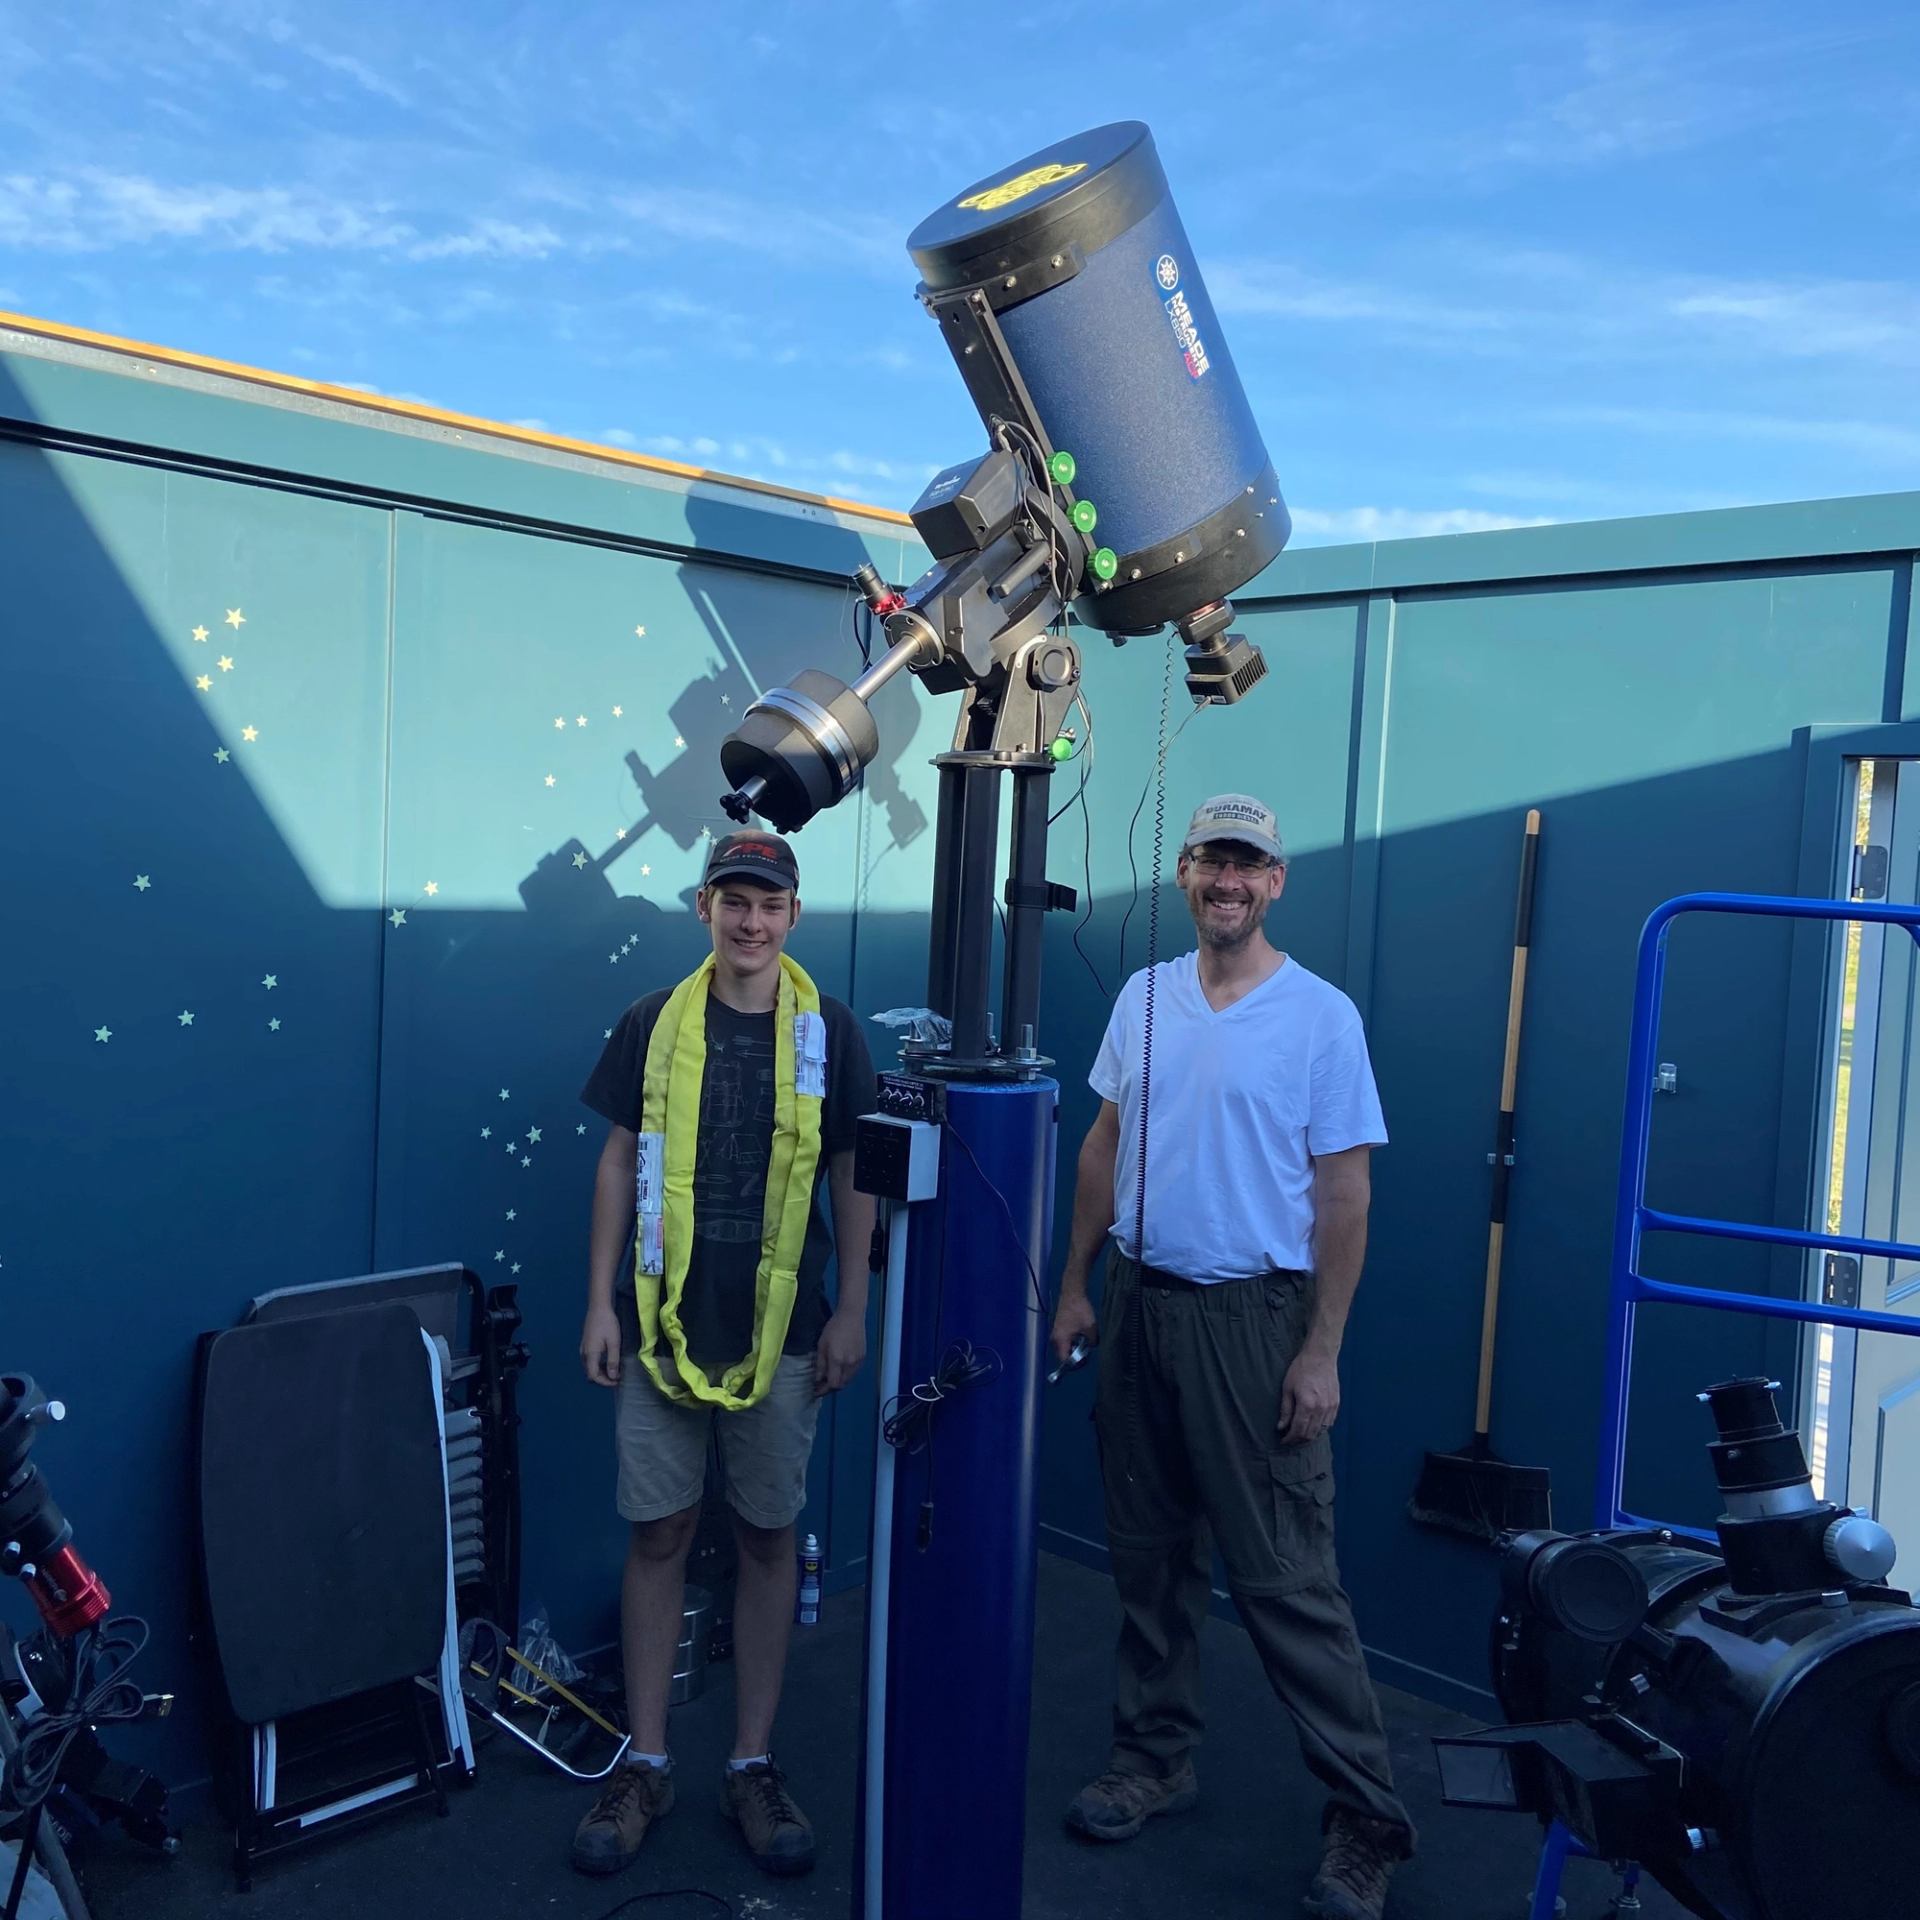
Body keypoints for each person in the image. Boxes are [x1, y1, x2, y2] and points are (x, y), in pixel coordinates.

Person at [1049, 794, 1415, 1920]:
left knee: (1287, 1584)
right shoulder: (1145, 997)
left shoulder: (1320, 1019)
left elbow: (1345, 1193)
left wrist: (1322, 1351)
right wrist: (1074, 1282)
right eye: (1212, 860)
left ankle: (1367, 1821)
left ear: (1275, 881)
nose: (1228, 881)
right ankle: (1154, 1759)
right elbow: (1104, 1144)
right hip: (1138, 1308)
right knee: (1149, 1559)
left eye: (1248, 865)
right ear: (1186, 872)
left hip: (1254, 1325)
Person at [571, 829, 876, 1881]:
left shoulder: (831, 1031)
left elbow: (852, 1169)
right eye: (734, 901)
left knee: (766, 1536)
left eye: (770, 904)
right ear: (703, 907)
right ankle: (647, 1762)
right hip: (662, 1322)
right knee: (660, 1532)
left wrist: (853, 1309)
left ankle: (751, 1762)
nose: (752, 921)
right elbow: (619, 1159)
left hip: (784, 1331)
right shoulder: (652, 1021)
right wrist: (599, 1305)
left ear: (794, 916)